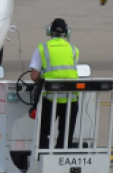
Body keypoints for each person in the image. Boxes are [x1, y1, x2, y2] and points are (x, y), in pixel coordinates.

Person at [30, 18, 80, 149]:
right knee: (66, 134)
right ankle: (61, 160)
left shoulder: (42, 49)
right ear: (67, 33)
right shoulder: (74, 50)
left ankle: (44, 158)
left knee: (43, 132)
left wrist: (43, 79)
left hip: (51, 98)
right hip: (71, 98)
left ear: (49, 31)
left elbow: (34, 76)